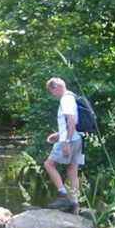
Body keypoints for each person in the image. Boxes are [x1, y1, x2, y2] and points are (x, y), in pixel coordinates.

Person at [43, 78, 84, 211]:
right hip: (77, 138)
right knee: (72, 169)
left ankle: (63, 195)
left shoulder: (65, 99)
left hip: (70, 140)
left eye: (52, 91)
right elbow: (72, 122)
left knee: (49, 164)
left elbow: (71, 120)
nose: (52, 95)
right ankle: (75, 202)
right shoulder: (72, 96)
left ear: (57, 87)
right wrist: (58, 135)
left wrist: (65, 141)